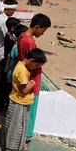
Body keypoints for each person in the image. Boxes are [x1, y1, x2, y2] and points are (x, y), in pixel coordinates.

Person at [5, 48, 47, 151]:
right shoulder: (22, 71)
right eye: (36, 65)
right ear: (31, 60)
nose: (36, 68)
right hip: (19, 102)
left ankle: (15, 147)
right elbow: (24, 90)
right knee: (16, 127)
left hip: (20, 101)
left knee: (20, 126)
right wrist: (33, 83)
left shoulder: (21, 66)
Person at [17, 13, 51, 141]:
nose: (43, 33)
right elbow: (33, 61)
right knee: (30, 111)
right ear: (37, 27)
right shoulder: (29, 42)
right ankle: (26, 135)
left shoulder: (22, 37)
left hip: (28, 77)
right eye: (43, 30)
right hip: (32, 79)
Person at [0, 24, 28, 113]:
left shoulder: (16, 44)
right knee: (10, 93)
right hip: (12, 74)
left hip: (11, 72)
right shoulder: (17, 47)